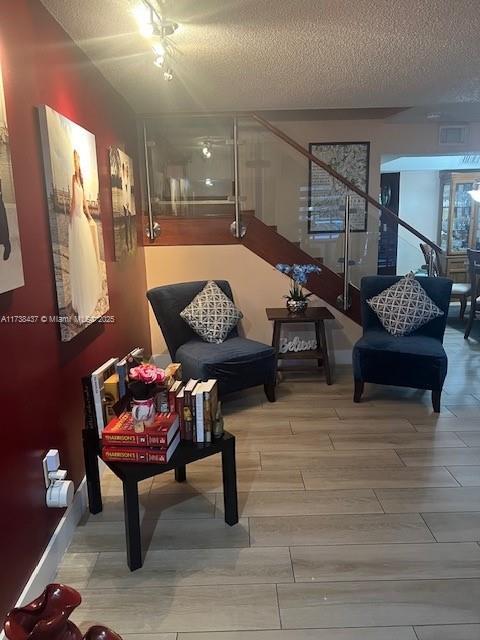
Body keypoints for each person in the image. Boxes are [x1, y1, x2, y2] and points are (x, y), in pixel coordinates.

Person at [68, 149, 101, 321]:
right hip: (79, 217)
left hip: (78, 218)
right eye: (76, 159)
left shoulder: (77, 179)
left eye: (77, 159)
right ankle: (85, 294)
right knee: (84, 255)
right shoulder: (77, 179)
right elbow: (79, 202)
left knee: (81, 255)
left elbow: (76, 202)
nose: (77, 162)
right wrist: (85, 215)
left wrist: (73, 216)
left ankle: (84, 294)